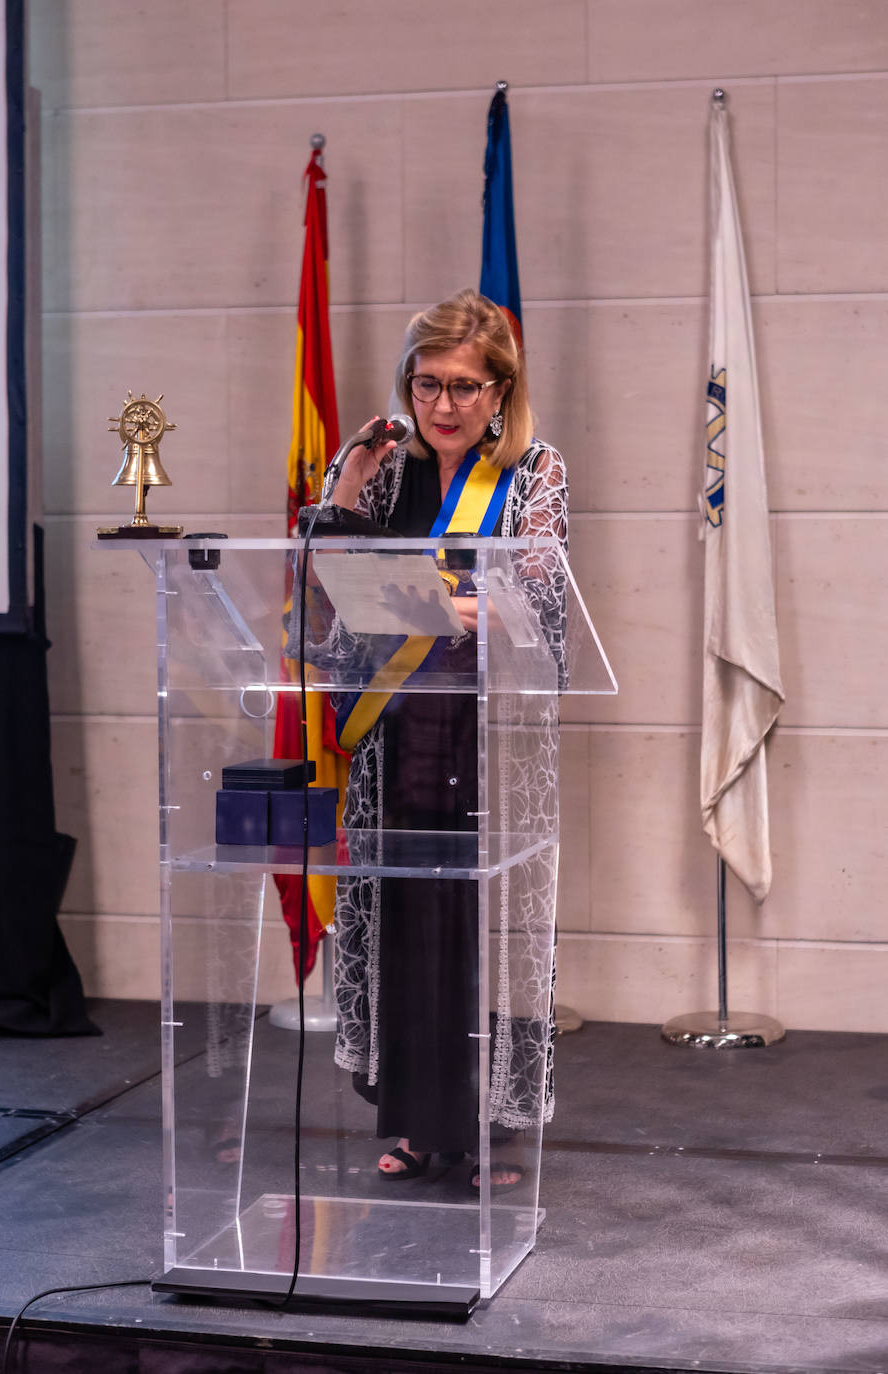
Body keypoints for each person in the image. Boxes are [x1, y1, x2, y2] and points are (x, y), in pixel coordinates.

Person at [323, 288, 568, 1186]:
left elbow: (535, 592)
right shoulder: (388, 470)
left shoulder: (535, 470)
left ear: (501, 389)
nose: (444, 407)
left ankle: (469, 1133)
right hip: (395, 732)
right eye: (427, 385)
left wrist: (444, 604)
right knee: (404, 919)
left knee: (472, 924)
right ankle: (414, 1125)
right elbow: (331, 583)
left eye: (466, 387)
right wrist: (347, 482)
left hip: (485, 737)